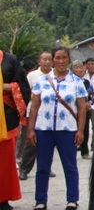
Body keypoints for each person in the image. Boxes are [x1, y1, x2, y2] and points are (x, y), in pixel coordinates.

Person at [27, 46, 87, 210]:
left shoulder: (77, 82)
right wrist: (31, 129)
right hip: (43, 129)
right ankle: (40, 201)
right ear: (53, 60)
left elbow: (81, 108)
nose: (61, 61)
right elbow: (34, 106)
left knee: (70, 166)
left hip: (67, 130)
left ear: (68, 59)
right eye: (57, 58)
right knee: (43, 167)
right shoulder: (42, 81)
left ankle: (72, 200)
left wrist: (80, 130)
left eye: (64, 58)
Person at [18, 51, 56, 181]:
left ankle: (47, 167)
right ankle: (24, 169)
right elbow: (25, 92)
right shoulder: (32, 76)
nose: (47, 62)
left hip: (51, 114)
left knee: (49, 142)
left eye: (49, 59)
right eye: (44, 59)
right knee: (31, 142)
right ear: (39, 61)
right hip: (34, 113)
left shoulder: (56, 74)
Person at [1, 50, 30, 210]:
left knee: (4, 161)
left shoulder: (10, 60)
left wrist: (7, 87)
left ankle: (3, 198)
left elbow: (23, 86)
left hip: (5, 118)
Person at [15, 60, 36, 163]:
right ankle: (18, 156)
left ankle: (20, 155)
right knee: (20, 135)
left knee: (25, 134)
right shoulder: (27, 77)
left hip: (30, 110)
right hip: (22, 110)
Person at [72, 60, 93, 159]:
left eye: (81, 67)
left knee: (85, 130)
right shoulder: (71, 82)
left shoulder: (87, 82)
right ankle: (72, 150)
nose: (79, 69)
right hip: (73, 110)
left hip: (85, 110)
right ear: (72, 70)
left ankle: (85, 152)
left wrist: (89, 103)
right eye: (76, 67)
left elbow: (91, 94)